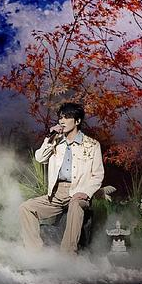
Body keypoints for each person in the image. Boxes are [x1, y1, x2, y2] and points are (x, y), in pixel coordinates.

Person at [18, 102, 104, 254]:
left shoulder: (92, 145)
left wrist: (86, 193)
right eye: (60, 118)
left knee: (76, 205)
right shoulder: (56, 141)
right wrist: (50, 138)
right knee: (26, 207)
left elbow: (97, 175)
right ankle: (34, 253)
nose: (61, 121)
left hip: (78, 192)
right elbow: (40, 158)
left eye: (66, 117)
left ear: (77, 121)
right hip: (57, 193)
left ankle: (68, 254)